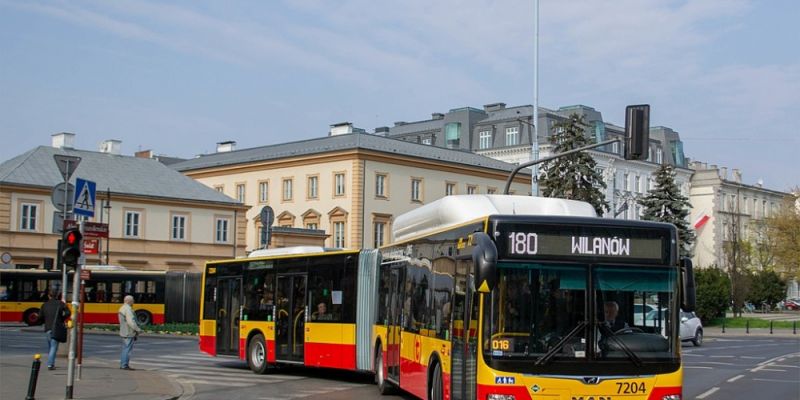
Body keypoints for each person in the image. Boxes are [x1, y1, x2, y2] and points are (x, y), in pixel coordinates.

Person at [39, 289, 70, 370]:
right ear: (57, 296)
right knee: (53, 347)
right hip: (57, 327)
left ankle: (50, 362)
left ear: (48, 296)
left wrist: (44, 321)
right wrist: (62, 318)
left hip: (48, 328)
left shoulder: (44, 305)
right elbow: (68, 312)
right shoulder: (60, 303)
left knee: (50, 346)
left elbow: (40, 317)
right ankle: (50, 364)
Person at [118, 295, 143, 370]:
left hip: (124, 331)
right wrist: (138, 329)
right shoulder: (128, 309)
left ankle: (123, 364)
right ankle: (124, 365)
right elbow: (131, 322)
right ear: (129, 301)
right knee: (127, 349)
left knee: (125, 348)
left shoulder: (122, 308)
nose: (134, 302)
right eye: (133, 300)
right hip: (128, 332)